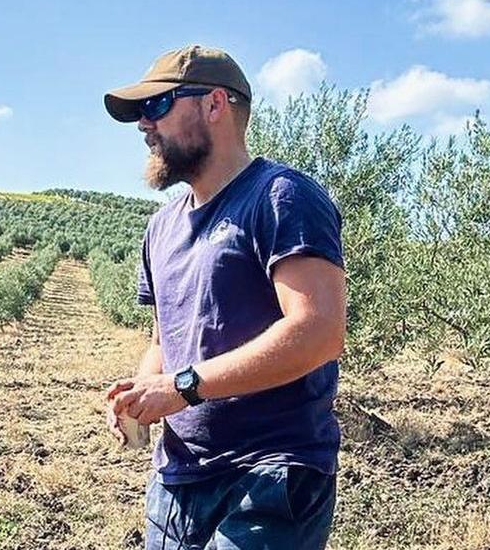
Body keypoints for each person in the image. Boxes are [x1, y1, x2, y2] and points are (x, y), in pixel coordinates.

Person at [103, 45, 347, 549]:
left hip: (271, 472)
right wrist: (143, 393)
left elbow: (318, 330)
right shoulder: (160, 227)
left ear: (215, 105)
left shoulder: (282, 197)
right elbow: (165, 340)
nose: (144, 126)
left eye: (156, 107)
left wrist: (182, 387)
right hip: (178, 476)